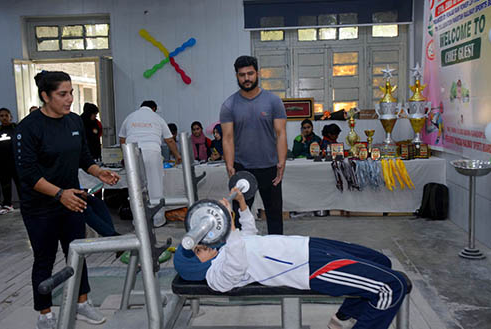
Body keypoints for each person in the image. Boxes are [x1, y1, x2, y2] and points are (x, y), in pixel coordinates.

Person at [174, 188, 409, 329]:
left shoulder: (226, 247)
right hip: (310, 268)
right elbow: (236, 265)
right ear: (196, 266)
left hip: (307, 245)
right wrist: (231, 227)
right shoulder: (217, 276)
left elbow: (249, 233)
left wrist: (242, 205)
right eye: (198, 250)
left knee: (381, 261)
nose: (204, 245)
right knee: (391, 286)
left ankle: (341, 318)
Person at [14, 70, 120, 329]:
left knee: (78, 253)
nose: (70, 98)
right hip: (40, 207)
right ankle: (45, 314)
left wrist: (99, 172)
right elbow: (27, 174)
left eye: (71, 92)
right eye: (63, 94)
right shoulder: (28, 128)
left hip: (73, 201)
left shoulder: (73, 121)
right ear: (45, 96)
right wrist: (60, 194)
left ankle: (83, 303)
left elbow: (83, 157)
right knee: (44, 259)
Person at [220, 55, 287, 234]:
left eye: (250, 73)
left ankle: (276, 254)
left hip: (270, 168)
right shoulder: (229, 105)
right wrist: (229, 165)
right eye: (242, 75)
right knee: (240, 219)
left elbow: (281, 133)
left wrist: (282, 162)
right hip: (243, 169)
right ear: (237, 76)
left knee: (274, 217)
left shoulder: (273, 101)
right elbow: (227, 138)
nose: (246, 78)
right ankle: (242, 255)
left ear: (257, 73)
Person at [119, 100, 182, 227]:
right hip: (152, 151)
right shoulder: (157, 118)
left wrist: (126, 155)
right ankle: (158, 220)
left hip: (133, 152)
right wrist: (177, 156)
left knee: (136, 187)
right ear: (153, 108)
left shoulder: (130, 117)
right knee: (155, 186)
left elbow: (122, 138)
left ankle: (137, 221)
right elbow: (169, 140)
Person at [0, 108, 20, 214]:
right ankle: (8, 204)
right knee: (5, 185)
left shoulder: (16, 127)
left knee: (21, 184)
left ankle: (27, 203)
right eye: (1, 116)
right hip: (2, 163)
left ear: (10, 116)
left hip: (16, 162)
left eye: (6, 115)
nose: (4, 118)